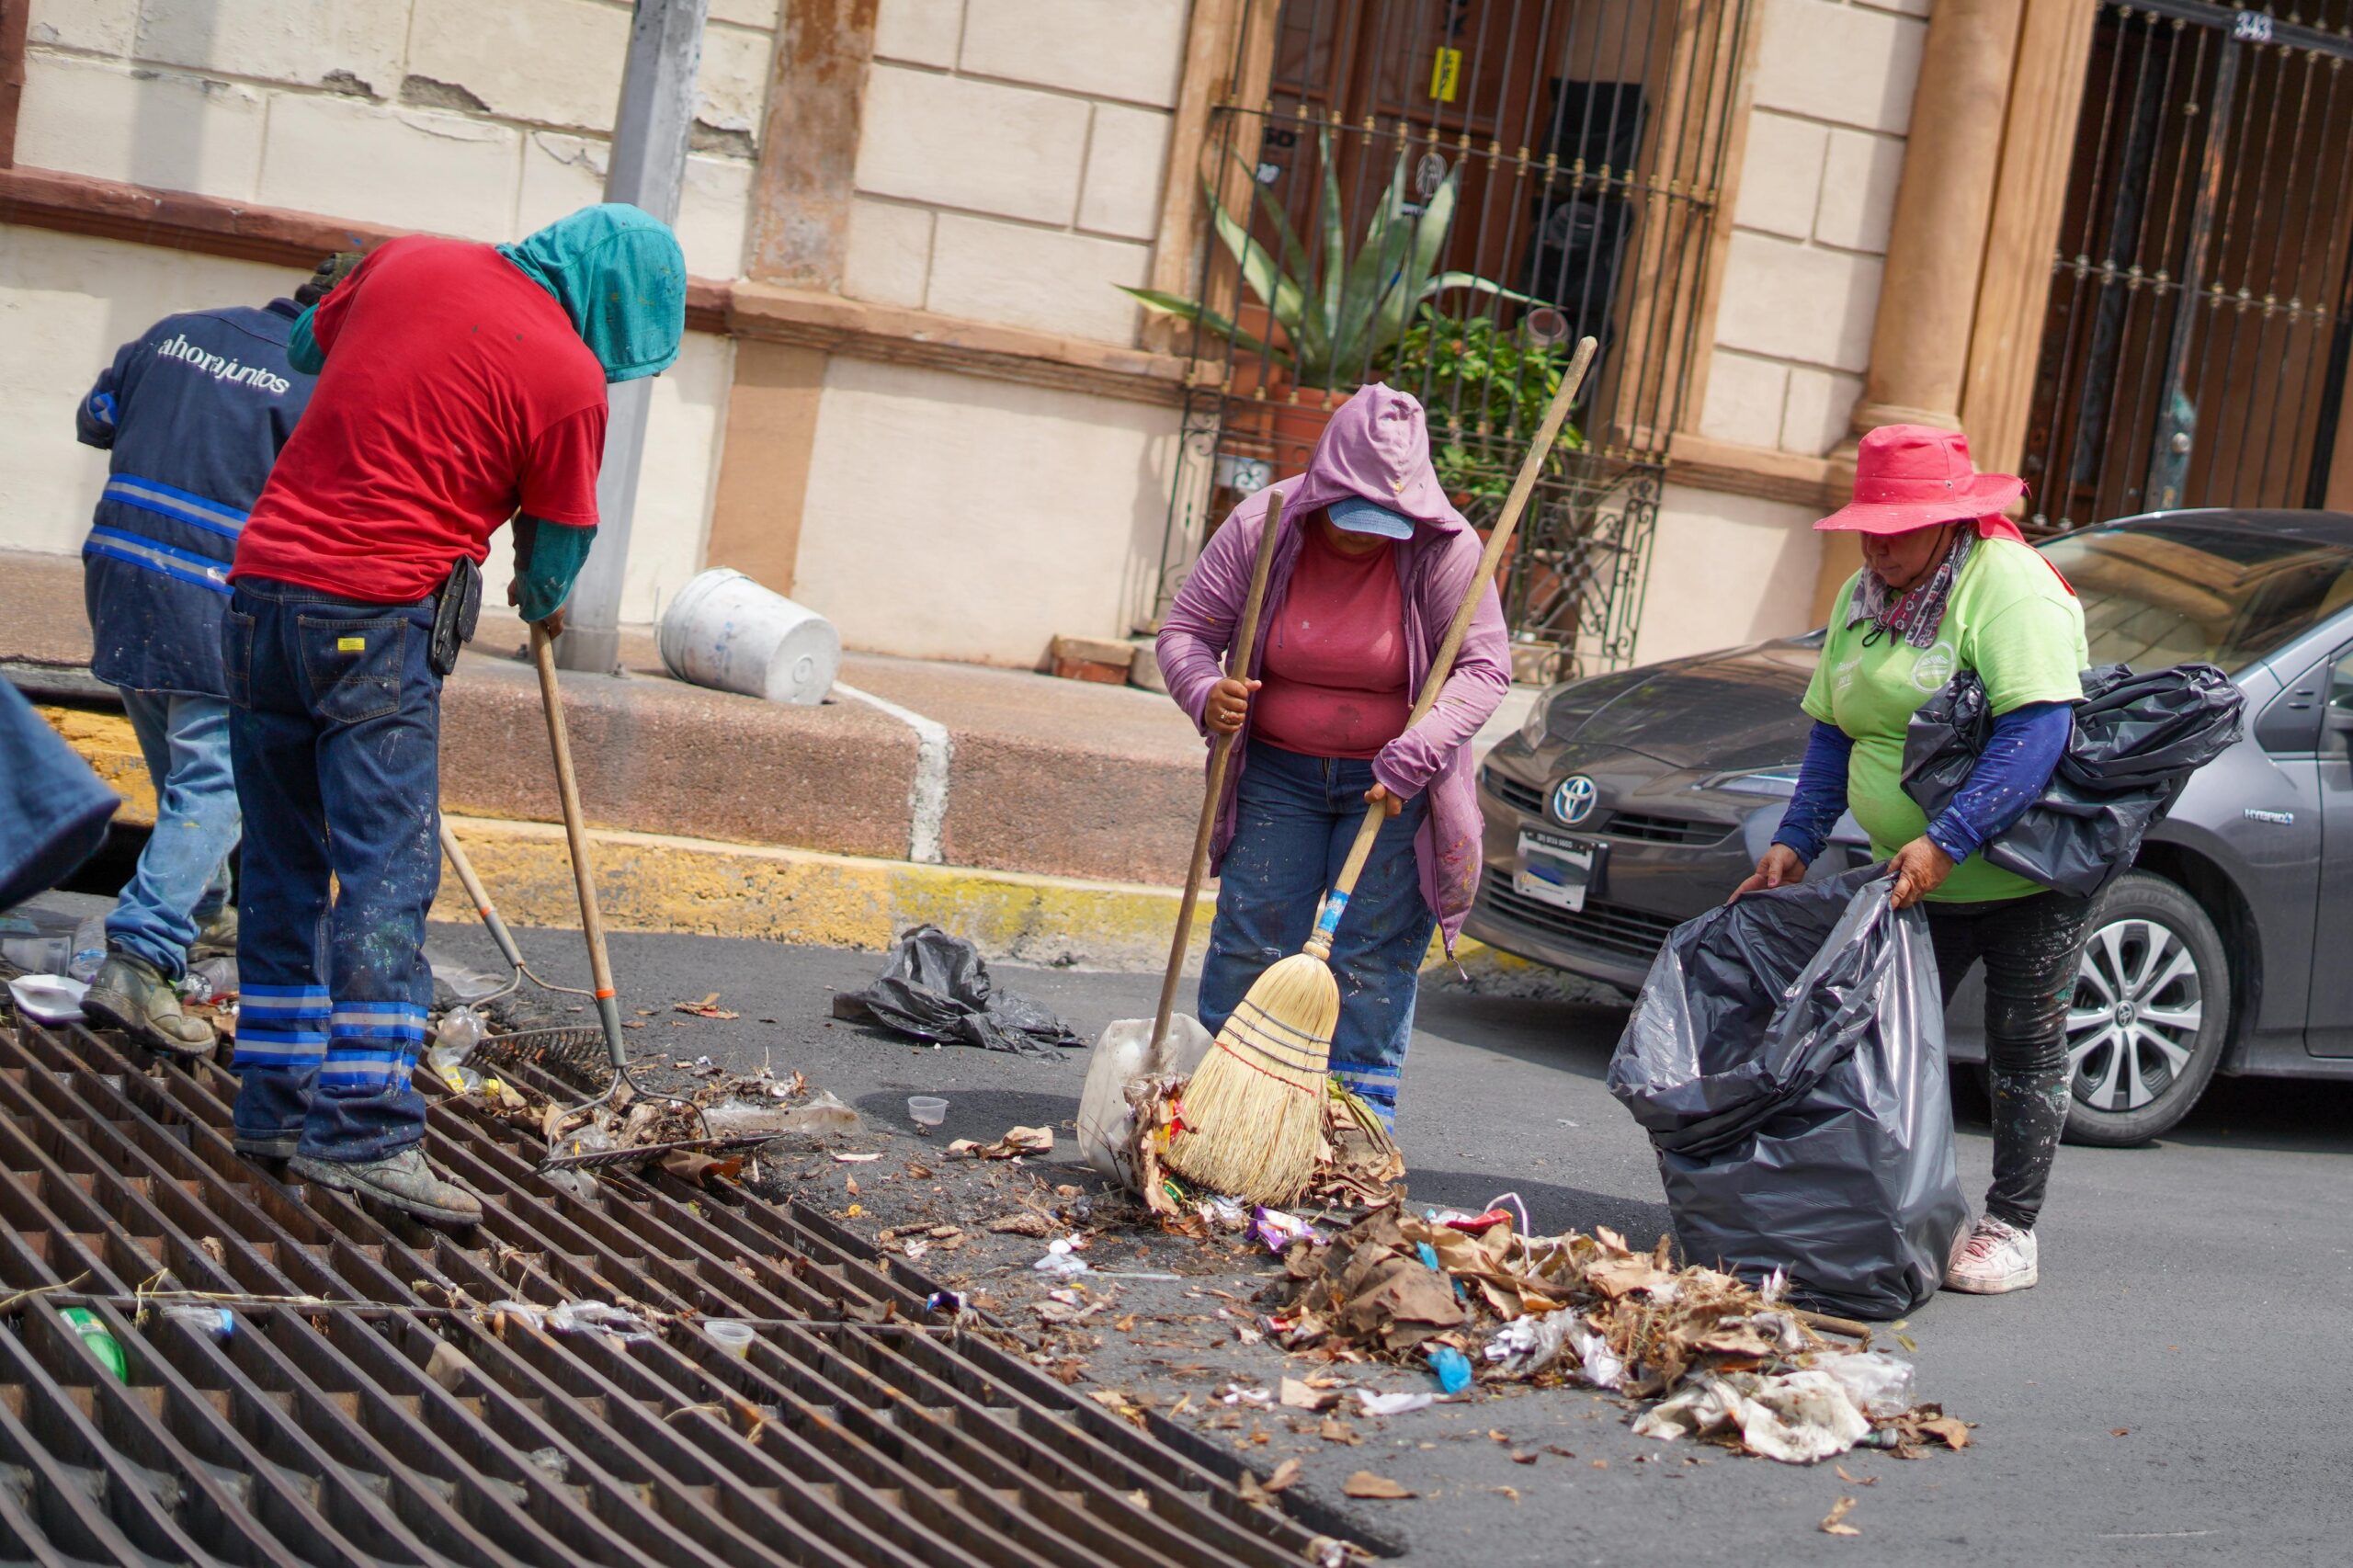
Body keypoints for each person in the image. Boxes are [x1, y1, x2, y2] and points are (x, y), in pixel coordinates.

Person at [225, 204, 686, 1224]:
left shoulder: (410, 260)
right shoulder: (567, 381)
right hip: (375, 622)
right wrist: (538, 595)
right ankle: (365, 1131)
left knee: (280, 859)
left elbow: (307, 343)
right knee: (386, 875)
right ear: (618, 306)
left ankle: (271, 1104)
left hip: (259, 597)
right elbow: (558, 552)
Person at [1733, 425, 2090, 1295]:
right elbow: (1834, 728)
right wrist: (1797, 840)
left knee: (2021, 1045)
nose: (1879, 549)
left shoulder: (2009, 591)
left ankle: (2011, 1225)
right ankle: (1889, 1202)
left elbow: (2036, 731)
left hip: (2023, 874)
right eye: (1870, 531)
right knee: (1889, 1040)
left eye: (1897, 534)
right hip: (1915, 868)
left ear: (1949, 522)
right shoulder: (1868, 593)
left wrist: (1950, 838)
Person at [1157, 384, 1509, 1128]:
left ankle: (1354, 1123)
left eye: (1385, 521)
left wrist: (1417, 750)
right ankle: (1228, 1115)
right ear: (1322, 484)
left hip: (1394, 785)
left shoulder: (1447, 547)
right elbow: (1186, 632)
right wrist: (1205, 691)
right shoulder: (1267, 523)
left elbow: (1484, 671)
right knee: (1254, 937)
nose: (1365, 535)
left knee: (1370, 960)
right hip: (1276, 778)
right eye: (1351, 515)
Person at [74, 255, 358, 1053]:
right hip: (211, 589)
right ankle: (142, 953)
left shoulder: (176, 333)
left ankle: (203, 913)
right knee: (217, 777)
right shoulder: (319, 385)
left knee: (181, 762)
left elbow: (95, 418)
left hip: (120, 571)